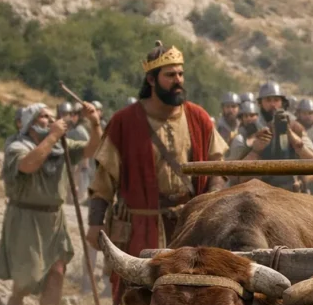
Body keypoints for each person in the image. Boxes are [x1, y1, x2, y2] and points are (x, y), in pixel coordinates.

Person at [86, 42, 229, 285]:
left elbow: (216, 166)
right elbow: (104, 180)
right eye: (170, 75)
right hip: (141, 226)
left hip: (190, 225)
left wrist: (211, 203)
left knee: (191, 291)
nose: (178, 80)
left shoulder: (199, 118)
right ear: (151, 80)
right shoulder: (125, 121)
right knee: (138, 292)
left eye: (181, 74)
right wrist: (95, 223)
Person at [0, 103, 102, 305]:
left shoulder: (61, 145)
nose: (51, 120)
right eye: (44, 117)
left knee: (57, 271)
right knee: (26, 280)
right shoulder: (17, 145)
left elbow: (94, 149)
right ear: (29, 123)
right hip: (26, 217)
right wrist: (54, 136)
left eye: (51, 116)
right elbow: (28, 165)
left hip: (54, 218)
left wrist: (94, 122)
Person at [226, 81, 313, 191]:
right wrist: (255, 150)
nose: (272, 104)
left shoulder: (295, 127)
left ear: (282, 102)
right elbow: (233, 172)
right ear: (260, 103)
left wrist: (292, 136)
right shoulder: (249, 130)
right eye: (268, 100)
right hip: (258, 189)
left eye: (276, 100)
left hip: (291, 189)